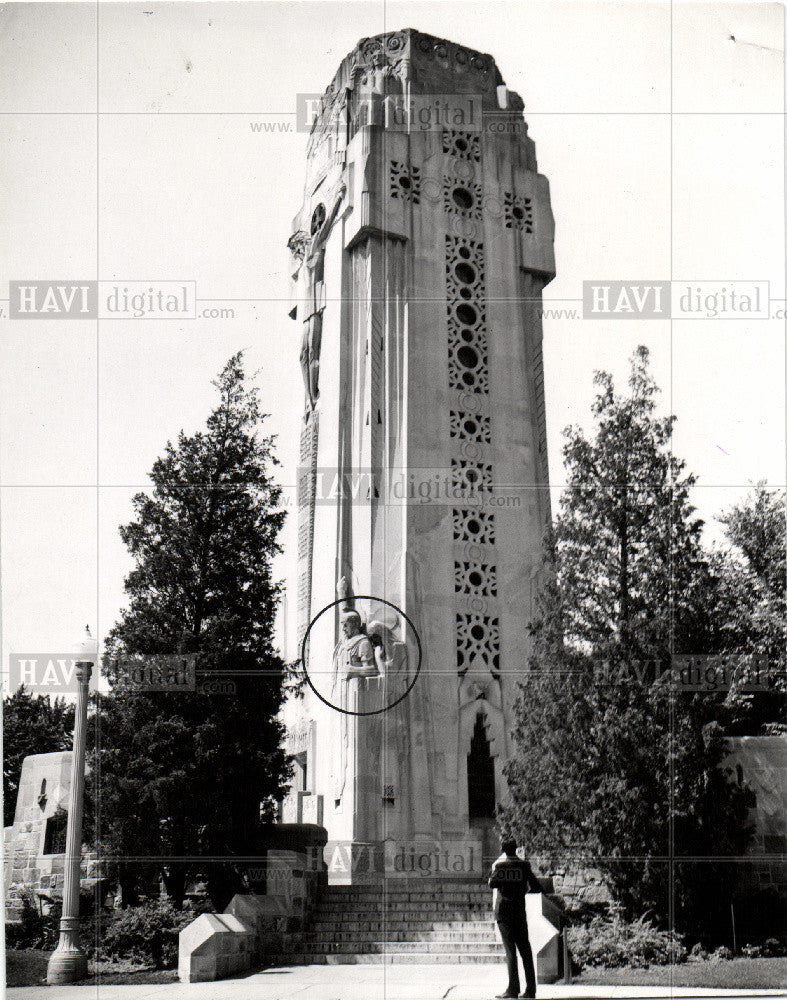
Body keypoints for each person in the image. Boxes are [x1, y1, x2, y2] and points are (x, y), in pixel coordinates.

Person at [488, 837, 542, 999]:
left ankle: (513, 989)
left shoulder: (500, 866)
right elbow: (536, 887)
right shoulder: (524, 866)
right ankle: (531, 990)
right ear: (516, 848)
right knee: (525, 950)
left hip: (504, 911)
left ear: (503, 850)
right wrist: (521, 894)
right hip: (519, 911)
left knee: (510, 951)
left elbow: (492, 884)